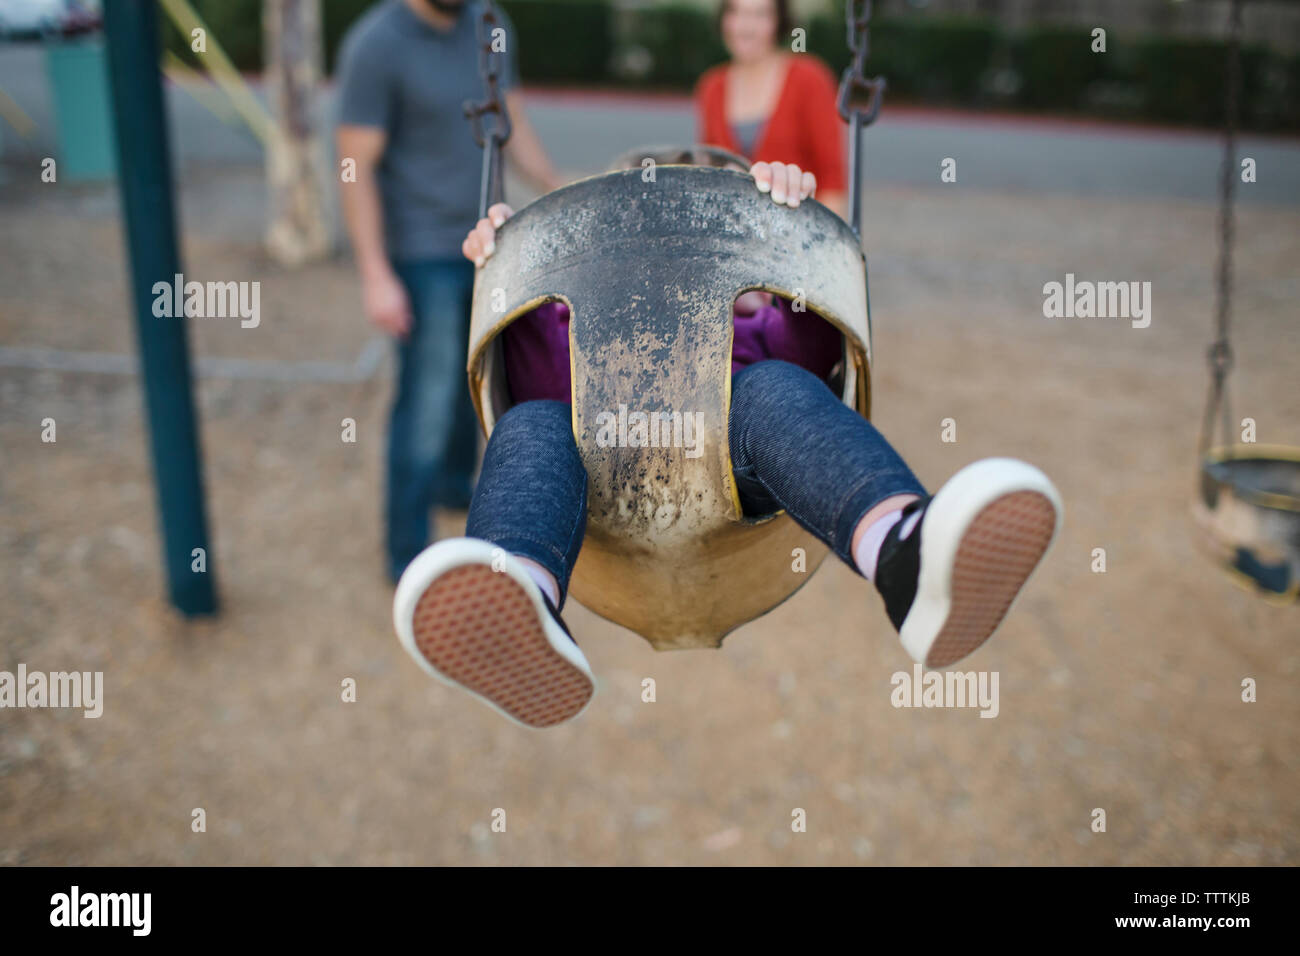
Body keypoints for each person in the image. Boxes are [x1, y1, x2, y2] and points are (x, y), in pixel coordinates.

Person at [390, 154, 1063, 730]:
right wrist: (517, 266)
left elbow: (814, 350)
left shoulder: (759, 329)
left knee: (775, 389)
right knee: (529, 425)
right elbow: (532, 379)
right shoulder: (563, 320)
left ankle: (902, 555)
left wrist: (794, 232)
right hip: (589, 469)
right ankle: (523, 598)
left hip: (726, 466)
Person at [335, 0, 562, 582]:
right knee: (427, 404)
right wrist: (375, 273)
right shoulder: (376, 45)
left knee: (482, 385)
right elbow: (354, 166)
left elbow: (510, 116)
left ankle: (453, 487)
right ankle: (406, 557)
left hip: (491, 243)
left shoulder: (490, 24)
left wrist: (557, 185)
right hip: (422, 251)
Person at [696, 0, 847, 217]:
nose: (746, 27)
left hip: (797, 232)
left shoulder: (809, 78)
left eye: (760, 14)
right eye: (736, 12)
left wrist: (823, 243)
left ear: (778, 22)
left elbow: (832, 179)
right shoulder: (712, 86)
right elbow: (709, 170)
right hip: (735, 236)